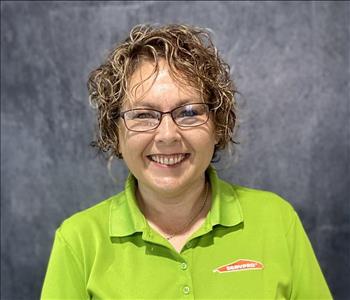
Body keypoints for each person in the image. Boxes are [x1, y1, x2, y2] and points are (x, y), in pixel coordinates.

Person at [41, 24, 332, 299]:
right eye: (143, 115)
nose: (168, 135)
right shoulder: (78, 241)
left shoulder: (276, 220)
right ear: (114, 133)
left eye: (189, 112)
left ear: (218, 125)